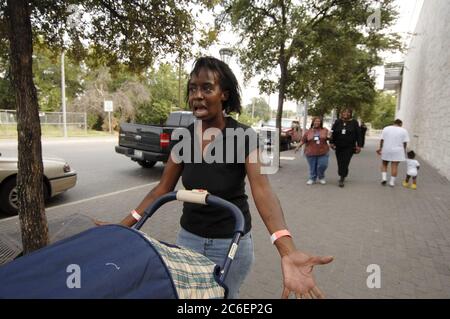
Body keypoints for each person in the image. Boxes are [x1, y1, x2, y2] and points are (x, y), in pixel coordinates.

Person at [96, 56, 333, 299]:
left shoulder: (243, 136)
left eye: (207, 88)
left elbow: (262, 191)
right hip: (189, 240)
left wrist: (287, 250)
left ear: (224, 95)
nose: (197, 95)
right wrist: (121, 226)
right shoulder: (183, 137)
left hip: (231, 243)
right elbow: (162, 189)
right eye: (193, 88)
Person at [329, 108, 362, 187]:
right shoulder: (337, 122)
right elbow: (332, 132)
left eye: (348, 112)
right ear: (342, 113)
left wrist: (359, 146)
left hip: (349, 146)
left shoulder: (354, 122)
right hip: (338, 145)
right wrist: (331, 142)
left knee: (345, 161)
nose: (346, 113)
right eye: (344, 112)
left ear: (350, 114)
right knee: (340, 161)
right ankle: (342, 173)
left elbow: (358, 134)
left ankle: (342, 178)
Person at [294, 116, 330, 185]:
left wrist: (330, 138)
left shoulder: (325, 130)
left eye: (319, 121)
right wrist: (298, 147)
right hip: (311, 152)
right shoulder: (308, 131)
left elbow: (329, 138)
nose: (317, 122)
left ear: (321, 123)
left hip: (323, 151)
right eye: (315, 121)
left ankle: (321, 177)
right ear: (313, 122)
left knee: (323, 165)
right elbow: (303, 140)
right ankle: (312, 178)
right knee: (312, 167)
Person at [376, 119, 409, 187]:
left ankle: (384, 178)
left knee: (384, 164)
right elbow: (405, 142)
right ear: (400, 124)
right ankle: (392, 182)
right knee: (394, 166)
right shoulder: (404, 130)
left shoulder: (386, 128)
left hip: (386, 149)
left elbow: (382, 140)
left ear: (393, 123)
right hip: (398, 150)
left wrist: (380, 148)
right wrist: (404, 151)